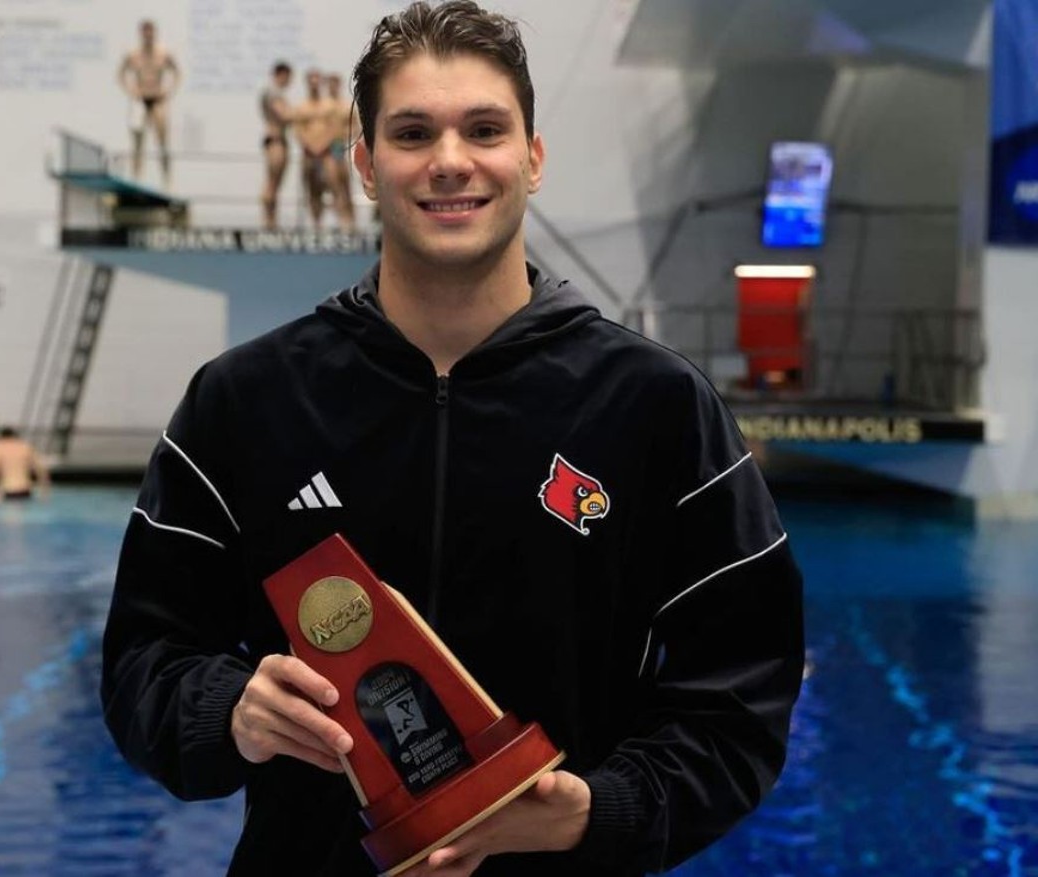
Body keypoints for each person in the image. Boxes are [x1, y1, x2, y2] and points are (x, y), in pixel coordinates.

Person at [101, 3, 804, 876]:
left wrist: (600, 808)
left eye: (484, 129)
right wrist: (227, 710)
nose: (449, 161)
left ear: (533, 158)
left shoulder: (656, 407)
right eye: (411, 132)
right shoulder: (244, 402)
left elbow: (743, 697)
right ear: (363, 162)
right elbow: (142, 659)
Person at [118, 19, 181, 187]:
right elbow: (121, 74)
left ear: (155, 33)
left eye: (151, 32)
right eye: (145, 32)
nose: (148, 36)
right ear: (141, 34)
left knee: (162, 141)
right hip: (140, 99)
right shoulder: (133, 55)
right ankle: (136, 179)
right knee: (138, 143)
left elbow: (177, 73)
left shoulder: (163, 54)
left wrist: (168, 91)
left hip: (157, 100)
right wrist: (131, 90)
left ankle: (167, 181)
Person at [291, 69, 338, 230]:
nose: (314, 85)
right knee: (313, 190)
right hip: (309, 154)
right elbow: (297, 129)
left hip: (327, 154)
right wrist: (310, 146)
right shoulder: (301, 107)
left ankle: (343, 224)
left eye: (317, 81)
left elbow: (335, 128)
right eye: (311, 81)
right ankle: (317, 224)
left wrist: (323, 145)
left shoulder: (330, 106)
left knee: (335, 186)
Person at [259, 61, 295, 230]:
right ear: (281, 74)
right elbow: (284, 115)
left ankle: (272, 221)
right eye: (288, 76)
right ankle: (268, 222)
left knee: (276, 185)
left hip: (280, 140)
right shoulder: (273, 92)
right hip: (275, 140)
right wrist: (308, 113)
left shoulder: (277, 93)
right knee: (271, 183)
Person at [325, 72, 358, 232]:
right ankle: (339, 221)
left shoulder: (345, 106)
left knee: (345, 186)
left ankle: (350, 221)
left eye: (335, 83)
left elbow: (356, 126)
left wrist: (344, 136)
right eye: (329, 84)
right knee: (333, 187)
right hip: (325, 150)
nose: (332, 87)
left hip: (340, 147)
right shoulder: (323, 107)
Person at [0, 427, 49, 501]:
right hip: (25, 491)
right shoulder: (26, 447)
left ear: (0, 437)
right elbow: (41, 470)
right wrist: (44, 492)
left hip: (7, 491)